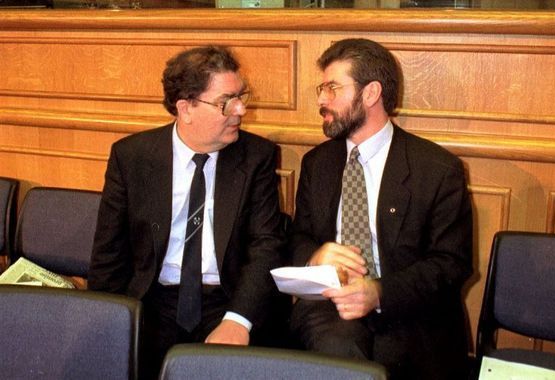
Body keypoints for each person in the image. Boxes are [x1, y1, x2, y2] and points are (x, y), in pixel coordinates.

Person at [88, 45, 285, 379]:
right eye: (226, 101)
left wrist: (237, 321)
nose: (240, 110)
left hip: (226, 300)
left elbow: (266, 248)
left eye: (241, 96)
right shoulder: (132, 157)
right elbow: (109, 253)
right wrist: (106, 324)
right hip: (152, 301)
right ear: (186, 108)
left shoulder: (257, 158)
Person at [289, 38, 473, 380]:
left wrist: (378, 292)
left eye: (332, 88)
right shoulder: (318, 163)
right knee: (339, 349)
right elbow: (299, 236)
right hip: (331, 307)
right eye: (322, 88)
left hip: (409, 309)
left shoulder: (436, 169)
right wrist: (316, 255)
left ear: (371, 93)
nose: (321, 100)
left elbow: (452, 264)